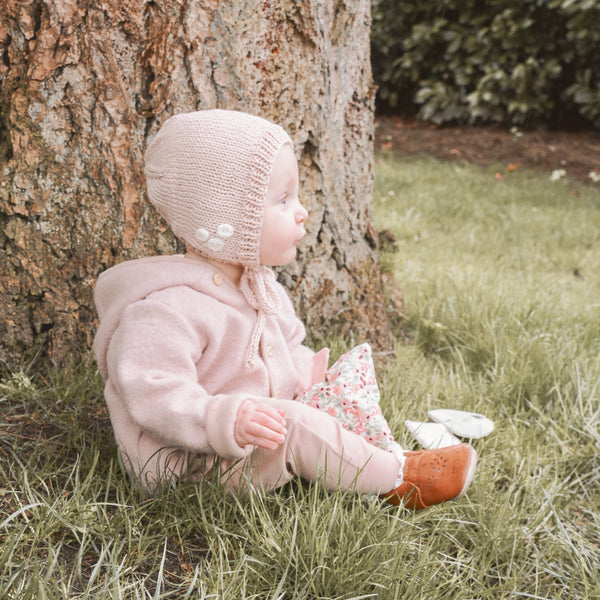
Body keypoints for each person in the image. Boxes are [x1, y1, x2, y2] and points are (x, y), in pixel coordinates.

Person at [93, 109, 477, 510]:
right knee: (294, 425)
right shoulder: (164, 310)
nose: (302, 211)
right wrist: (226, 419)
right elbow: (154, 393)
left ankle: (364, 454)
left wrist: (311, 377)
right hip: (195, 462)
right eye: (282, 200)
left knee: (316, 405)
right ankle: (399, 479)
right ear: (225, 221)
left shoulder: (260, 285)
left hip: (252, 437)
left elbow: (288, 344)